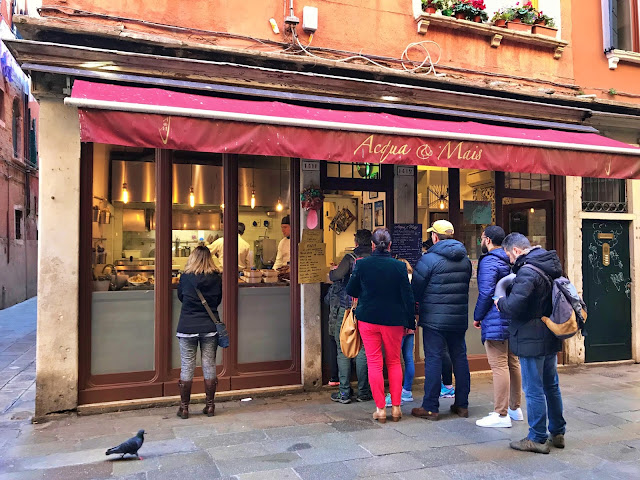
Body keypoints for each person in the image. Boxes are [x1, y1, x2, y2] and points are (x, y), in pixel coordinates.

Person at [496, 233, 566, 454]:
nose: (509, 260)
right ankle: (557, 432)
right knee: (551, 385)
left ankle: (537, 437)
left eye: (508, 255)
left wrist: (501, 303)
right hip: (550, 332)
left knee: (533, 388)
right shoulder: (550, 265)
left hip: (530, 336)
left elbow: (516, 305)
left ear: (516, 250)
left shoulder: (527, 270)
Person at [346, 228, 415, 423]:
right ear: (390, 246)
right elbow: (408, 297)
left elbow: (352, 290)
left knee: (374, 362)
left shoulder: (362, 264)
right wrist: (410, 322)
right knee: (394, 361)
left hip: (368, 319)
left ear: (373, 245)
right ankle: (396, 408)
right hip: (394, 320)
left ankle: (380, 409)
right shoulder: (399, 267)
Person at [411, 220, 472, 421]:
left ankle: (430, 406)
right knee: (460, 358)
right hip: (458, 317)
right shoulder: (466, 260)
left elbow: (416, 290)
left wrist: (414, 309)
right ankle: (462, 405)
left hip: (434, 319)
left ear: (435, 237)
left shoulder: (428, 259)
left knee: (434, 358)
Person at [474, 226, 523, 428]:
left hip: (495, 318)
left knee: (499, 365)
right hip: (512, 316)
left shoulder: (489, 261)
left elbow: (486, 293)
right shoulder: (511, 260)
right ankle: (515, 408)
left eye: (481, 239)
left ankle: (500, 414)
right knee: (513, 362)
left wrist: (477, 316)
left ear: (487, 240)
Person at [176, 246, 222, 419]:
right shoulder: (216, 278)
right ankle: (210, 406)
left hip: (187, 326)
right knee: (209, 365)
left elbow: (181, 297)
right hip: (209, 327)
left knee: (187, 365)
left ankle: (184, 408)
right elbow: (218, 300)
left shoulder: (186, 277)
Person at [329, 229, 373, 403]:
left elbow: (335, 276)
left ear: (356, 242)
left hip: (348, 308)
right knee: (363, 349)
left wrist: (333, 270)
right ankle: (363, 392)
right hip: (368, 308)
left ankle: (345, 392)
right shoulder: (375, 259)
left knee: (344, 348)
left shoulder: (351, 259)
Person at [385, 259, 415, 407]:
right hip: (410, 324)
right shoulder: (413, 281)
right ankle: (407, 391)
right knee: (408, 358)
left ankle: (394, 394)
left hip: (398, 324)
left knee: (394, 360)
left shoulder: (396, 282)